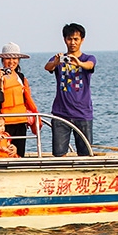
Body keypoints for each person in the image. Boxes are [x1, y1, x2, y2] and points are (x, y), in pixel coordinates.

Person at [44, 23, 96, 156]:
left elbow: (90, 66)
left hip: (83, 113)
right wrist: (56, 62)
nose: (72, 42)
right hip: (61, 113)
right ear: (64, 39)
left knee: (86, 154)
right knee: (59, 153)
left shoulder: (87, 58)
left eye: (76, 39)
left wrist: (78, 63)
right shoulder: (59, 59)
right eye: (69, 39)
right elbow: (48, 67)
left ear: (82, 40)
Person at [0, 42, 39, 158]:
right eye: (7, 58)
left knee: (19, 152)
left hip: (20, 121)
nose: (11, 61)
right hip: (4, 123)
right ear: (2, 60)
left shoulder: (21, 76)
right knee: (4, 152)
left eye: (15, 58)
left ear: (18, 60)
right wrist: (0, 80)